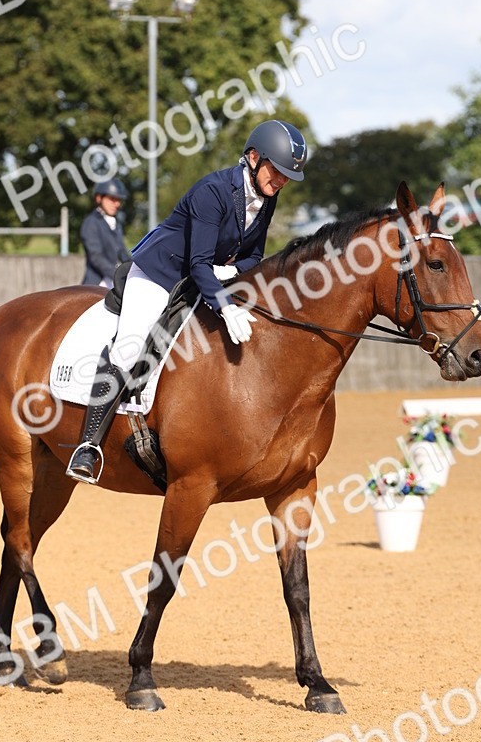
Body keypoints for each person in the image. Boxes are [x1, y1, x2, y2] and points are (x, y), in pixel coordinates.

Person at [66, 119, 308, 483]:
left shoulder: (266, 196)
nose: (282, 181)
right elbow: (196, 262)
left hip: (204, 277)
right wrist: (224, 305)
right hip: (160, 274)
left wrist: (228, 275)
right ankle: (89, 445)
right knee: (130, 348)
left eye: (288, 176)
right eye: (278, 171)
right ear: (254, 158)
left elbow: (253, 256)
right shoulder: (213, 191)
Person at [80, 178, 131, 288]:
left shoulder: (116, 223)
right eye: (112, 199)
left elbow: (122, 253)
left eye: (118, 200)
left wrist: (134, 270)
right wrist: (118, 275)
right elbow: (96, 257)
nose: (116, 204)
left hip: (114, 281)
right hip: (97, 282)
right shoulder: (91, 222)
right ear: (99, 198)